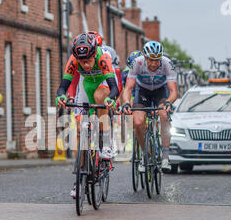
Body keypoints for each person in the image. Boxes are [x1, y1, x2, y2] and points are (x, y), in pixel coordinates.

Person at [56, 33, 119, 197]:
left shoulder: (103, 57)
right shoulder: (73, 60)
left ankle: (105, 144)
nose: (85, 64)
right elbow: (63, 86)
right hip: (86, 85)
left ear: (94, 53)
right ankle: (78, 181)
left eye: (89, 60)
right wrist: (61, 96)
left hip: (103, 83)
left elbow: (114, 88)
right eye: (81, 61)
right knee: (79, 130)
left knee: (100, 98)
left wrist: (111, 99)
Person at [121, 41, 179, 173]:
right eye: (151, 60)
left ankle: (165, 157)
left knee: (164, 114)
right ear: (145, 57)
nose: (154, 63)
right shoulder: (137, 63)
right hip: (143, 91)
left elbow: (174, 91)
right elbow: (128, 88)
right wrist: (125, 101)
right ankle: (145, 155)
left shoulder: (167, 63)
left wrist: (169, 102)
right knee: (138, 122)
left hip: (160, 91)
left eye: (157, 60)